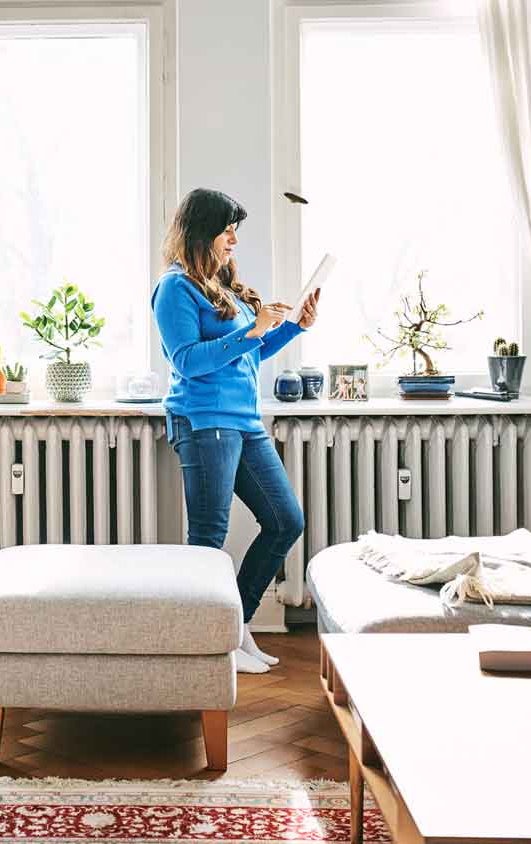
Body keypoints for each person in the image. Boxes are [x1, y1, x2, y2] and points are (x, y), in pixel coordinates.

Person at [151, 188, 319, 674]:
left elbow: (248, 353)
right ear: (201, 231)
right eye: (227, 231)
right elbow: (187, 361)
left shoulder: (219, 287)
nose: (233, 241)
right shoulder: (175, 289)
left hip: (244, 423)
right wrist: (249, 330)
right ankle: (207, 647)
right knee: (209, 535)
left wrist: (292, 329)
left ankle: (234, 627)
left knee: (286, 521)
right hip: (204, 421)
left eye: (235, 233)